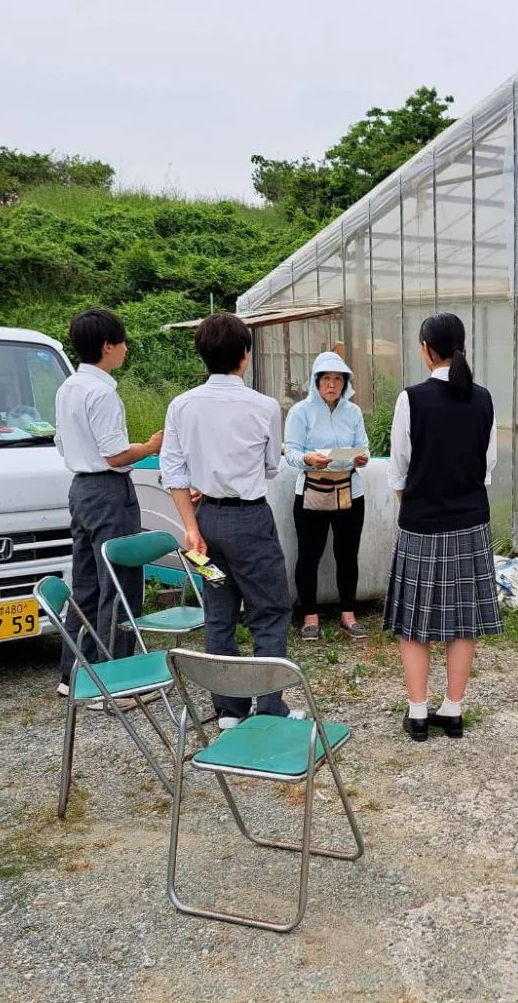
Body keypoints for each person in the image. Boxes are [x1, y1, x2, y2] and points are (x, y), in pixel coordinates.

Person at [160, 312, 301, 727]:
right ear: (245, 354)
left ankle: (229, 709)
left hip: (207, 527)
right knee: (269, 611)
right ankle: (269, 706)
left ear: (202, 354)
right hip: (251, 524)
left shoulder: (181, 406)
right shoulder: (262, 406)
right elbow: (271, 467)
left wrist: (190, 526)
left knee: (220, 611)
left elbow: (174, 472)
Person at [384, 312, 502, 742]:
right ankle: (452, 710)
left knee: (415, 621)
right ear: (461, 347)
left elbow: (398, 472)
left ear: (425, 349)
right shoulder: (485, 398)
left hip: (421, 523)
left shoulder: (411, 399)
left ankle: (417, 713)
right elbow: (486, 470)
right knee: (462, 620)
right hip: (471, 522)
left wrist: (416, 502)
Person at [54, 309, 162, 696]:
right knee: (118, 583)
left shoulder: (68, 387)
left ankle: (74, 674)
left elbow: (61, 443)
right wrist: (149, 447)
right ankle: (116, 681)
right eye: (122, 342)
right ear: (107, 347)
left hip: (80, 489)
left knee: (85, 583)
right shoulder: (103, 393)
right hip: (107, 493)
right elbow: (115, 455)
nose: (125, 348)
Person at [284, 352, 370, 641]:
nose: (332, 384)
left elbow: (363, 446)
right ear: (316, 381)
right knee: (309, 555)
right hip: (313, 489)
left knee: (347, 554)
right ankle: (309, 615)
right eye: (326, 378)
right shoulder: (301, 412)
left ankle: (348, 614)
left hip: (349, 489)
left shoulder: (353, 412)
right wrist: (308, 458)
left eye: (338, 379)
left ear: (345, 383)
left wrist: (361, 458)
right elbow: (291, 452)